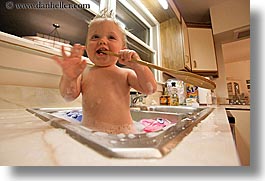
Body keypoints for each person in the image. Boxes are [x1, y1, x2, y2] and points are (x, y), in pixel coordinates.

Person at [52, 10, 157, 134]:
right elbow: (68, 96)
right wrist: (69, 77)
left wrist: (139, 66)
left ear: (122, 49)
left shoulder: (125, 74)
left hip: (123, 134)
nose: (102, 41)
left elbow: (150, 89)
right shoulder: (83, 73)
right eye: (95, 37)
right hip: (90, 134)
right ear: (87, 46)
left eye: (111, 37)